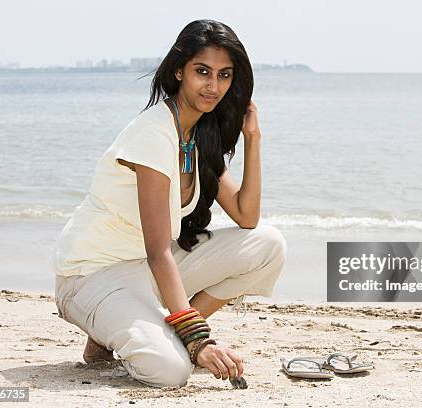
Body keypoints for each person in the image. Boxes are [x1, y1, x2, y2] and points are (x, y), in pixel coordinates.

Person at [49, 19, 287, 388]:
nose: (213, 86)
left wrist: (253, 138)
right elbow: (159, 251)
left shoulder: (196, 136)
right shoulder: (153, 133)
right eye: (202, 72)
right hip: (92, 274)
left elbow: (246, 216)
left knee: (268, 246)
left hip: (144, 270)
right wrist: (199, 341)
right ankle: (131, 329)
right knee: (171, 372)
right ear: (179, 71)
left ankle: (138, 329)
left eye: (224, 75)